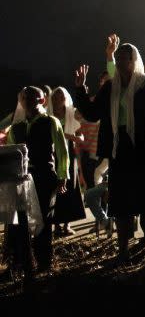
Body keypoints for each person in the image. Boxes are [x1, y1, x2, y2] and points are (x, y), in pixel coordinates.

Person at [73, 42, 145, 262]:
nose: (120, 62)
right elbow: (92, 113)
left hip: (144, 149)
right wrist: (80, 89)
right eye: (118, 59)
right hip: (120, 148)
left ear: (133, 60)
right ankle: (123, 250)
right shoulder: (110, 87)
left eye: (125, 58)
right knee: (121, 202)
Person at [7, 86, 69, 272]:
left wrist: (62, 176)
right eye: (25, 97)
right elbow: (10, 152)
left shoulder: (51, 122)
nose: (27, 101)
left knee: (44, 219)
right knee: (20, 221)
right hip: (21, 179)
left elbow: (61, 150)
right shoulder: (16, 127)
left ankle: (44, 262)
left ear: (42, 100)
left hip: (45, 177)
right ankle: (20, 261)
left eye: (33, 97)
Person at [49, 87, 87, 236]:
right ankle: (56, 225)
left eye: (61, 98)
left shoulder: (72, 114)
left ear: (66, 99)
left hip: (69, 154)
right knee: (55, 188)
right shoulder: (49, 115)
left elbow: (81, 137)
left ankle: (67, 224)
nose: (58, 100)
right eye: (55, 98)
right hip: (52, 155)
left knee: (70, 187)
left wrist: (67, 136)